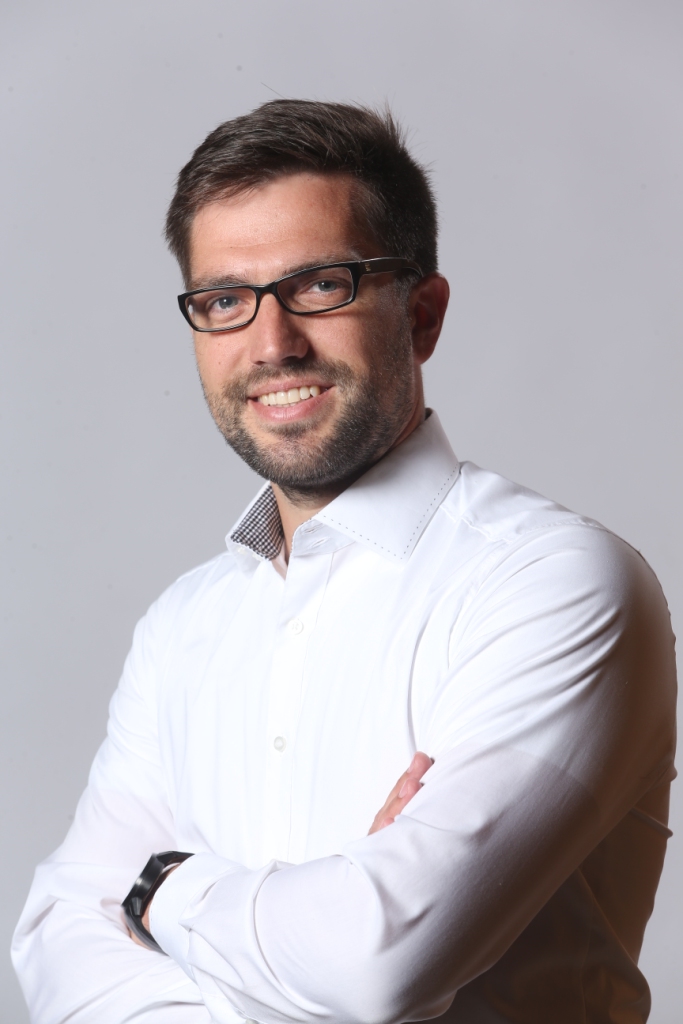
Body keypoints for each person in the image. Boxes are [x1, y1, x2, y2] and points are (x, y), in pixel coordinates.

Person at [12, 100, 677, 1024]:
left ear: (421, 315)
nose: (271, 344)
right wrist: (305, 929)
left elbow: (376, 967)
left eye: (321, 286)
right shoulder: (182, 626)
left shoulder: (553, 584)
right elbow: (55, 940)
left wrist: (160, 891)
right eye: (224, 301)